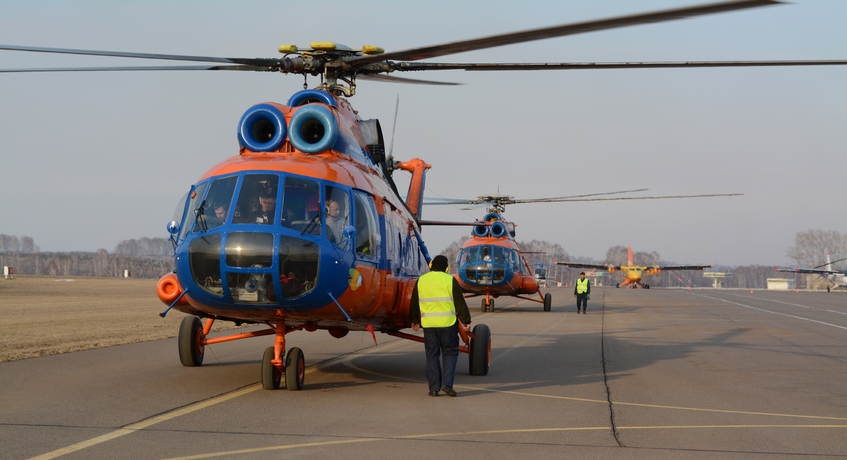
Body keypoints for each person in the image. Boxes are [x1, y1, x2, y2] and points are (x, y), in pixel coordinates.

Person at [409, 255, 471, 397]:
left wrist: (415, 320)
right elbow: (459, 303)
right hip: (447, 324)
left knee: (432, 355)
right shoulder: (450, 280)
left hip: (429, 325)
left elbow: (414, 302)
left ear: (431, 266)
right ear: (447, 268)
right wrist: (466, 320)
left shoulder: (421, 280)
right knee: (450, 353)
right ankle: (447, 385)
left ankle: (433, 388)